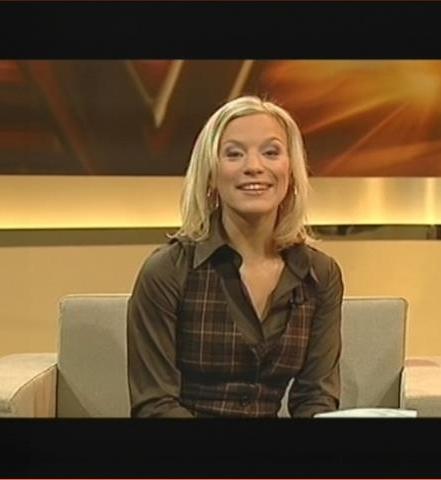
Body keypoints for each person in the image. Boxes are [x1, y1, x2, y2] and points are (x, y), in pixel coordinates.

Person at [127, 95, 344, 418]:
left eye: (271, 152)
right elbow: (155, 405)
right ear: (211, 174)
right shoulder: (167, 271)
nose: (254, 167)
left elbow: (316, 398)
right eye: (234, 154)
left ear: (291, 171)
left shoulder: (320, 275)